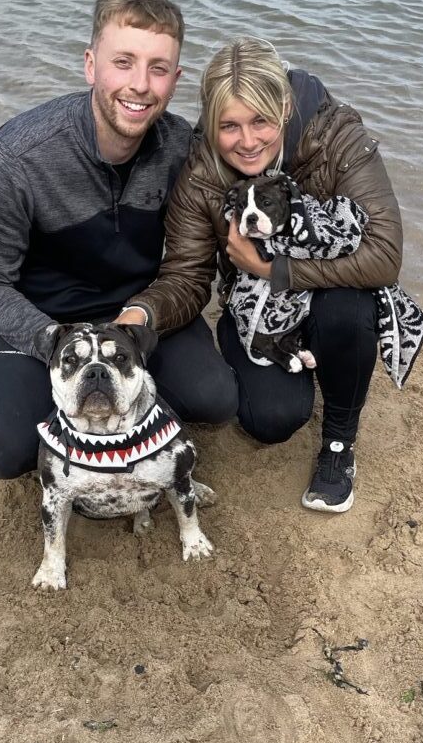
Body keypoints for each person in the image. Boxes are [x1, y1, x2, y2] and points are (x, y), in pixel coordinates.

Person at [0, 0, 238, 479]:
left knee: (216, 400)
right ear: (91, 65)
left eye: (159, 69)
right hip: (43, 321)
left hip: (138, 315)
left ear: (175, 81)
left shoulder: (184, 151)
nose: (140, 85)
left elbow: (191, 273)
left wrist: (142, 318)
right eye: (123, 62)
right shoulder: (15, 158)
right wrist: (50, 340)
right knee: (7, 453)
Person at [134, 38, 405, 513]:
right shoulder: (201, 172)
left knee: (349, 309)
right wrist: (141, 314)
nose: (247, 141)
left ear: (283, 107)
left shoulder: (336, 137)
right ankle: (296, 356)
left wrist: (273, 268)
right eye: (229, 126)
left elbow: (384, 254)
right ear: (210, 123)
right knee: (271, 419)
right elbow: (188, 275)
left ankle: (340, 443)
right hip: (256, 309)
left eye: (260, 121)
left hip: (329, 293)